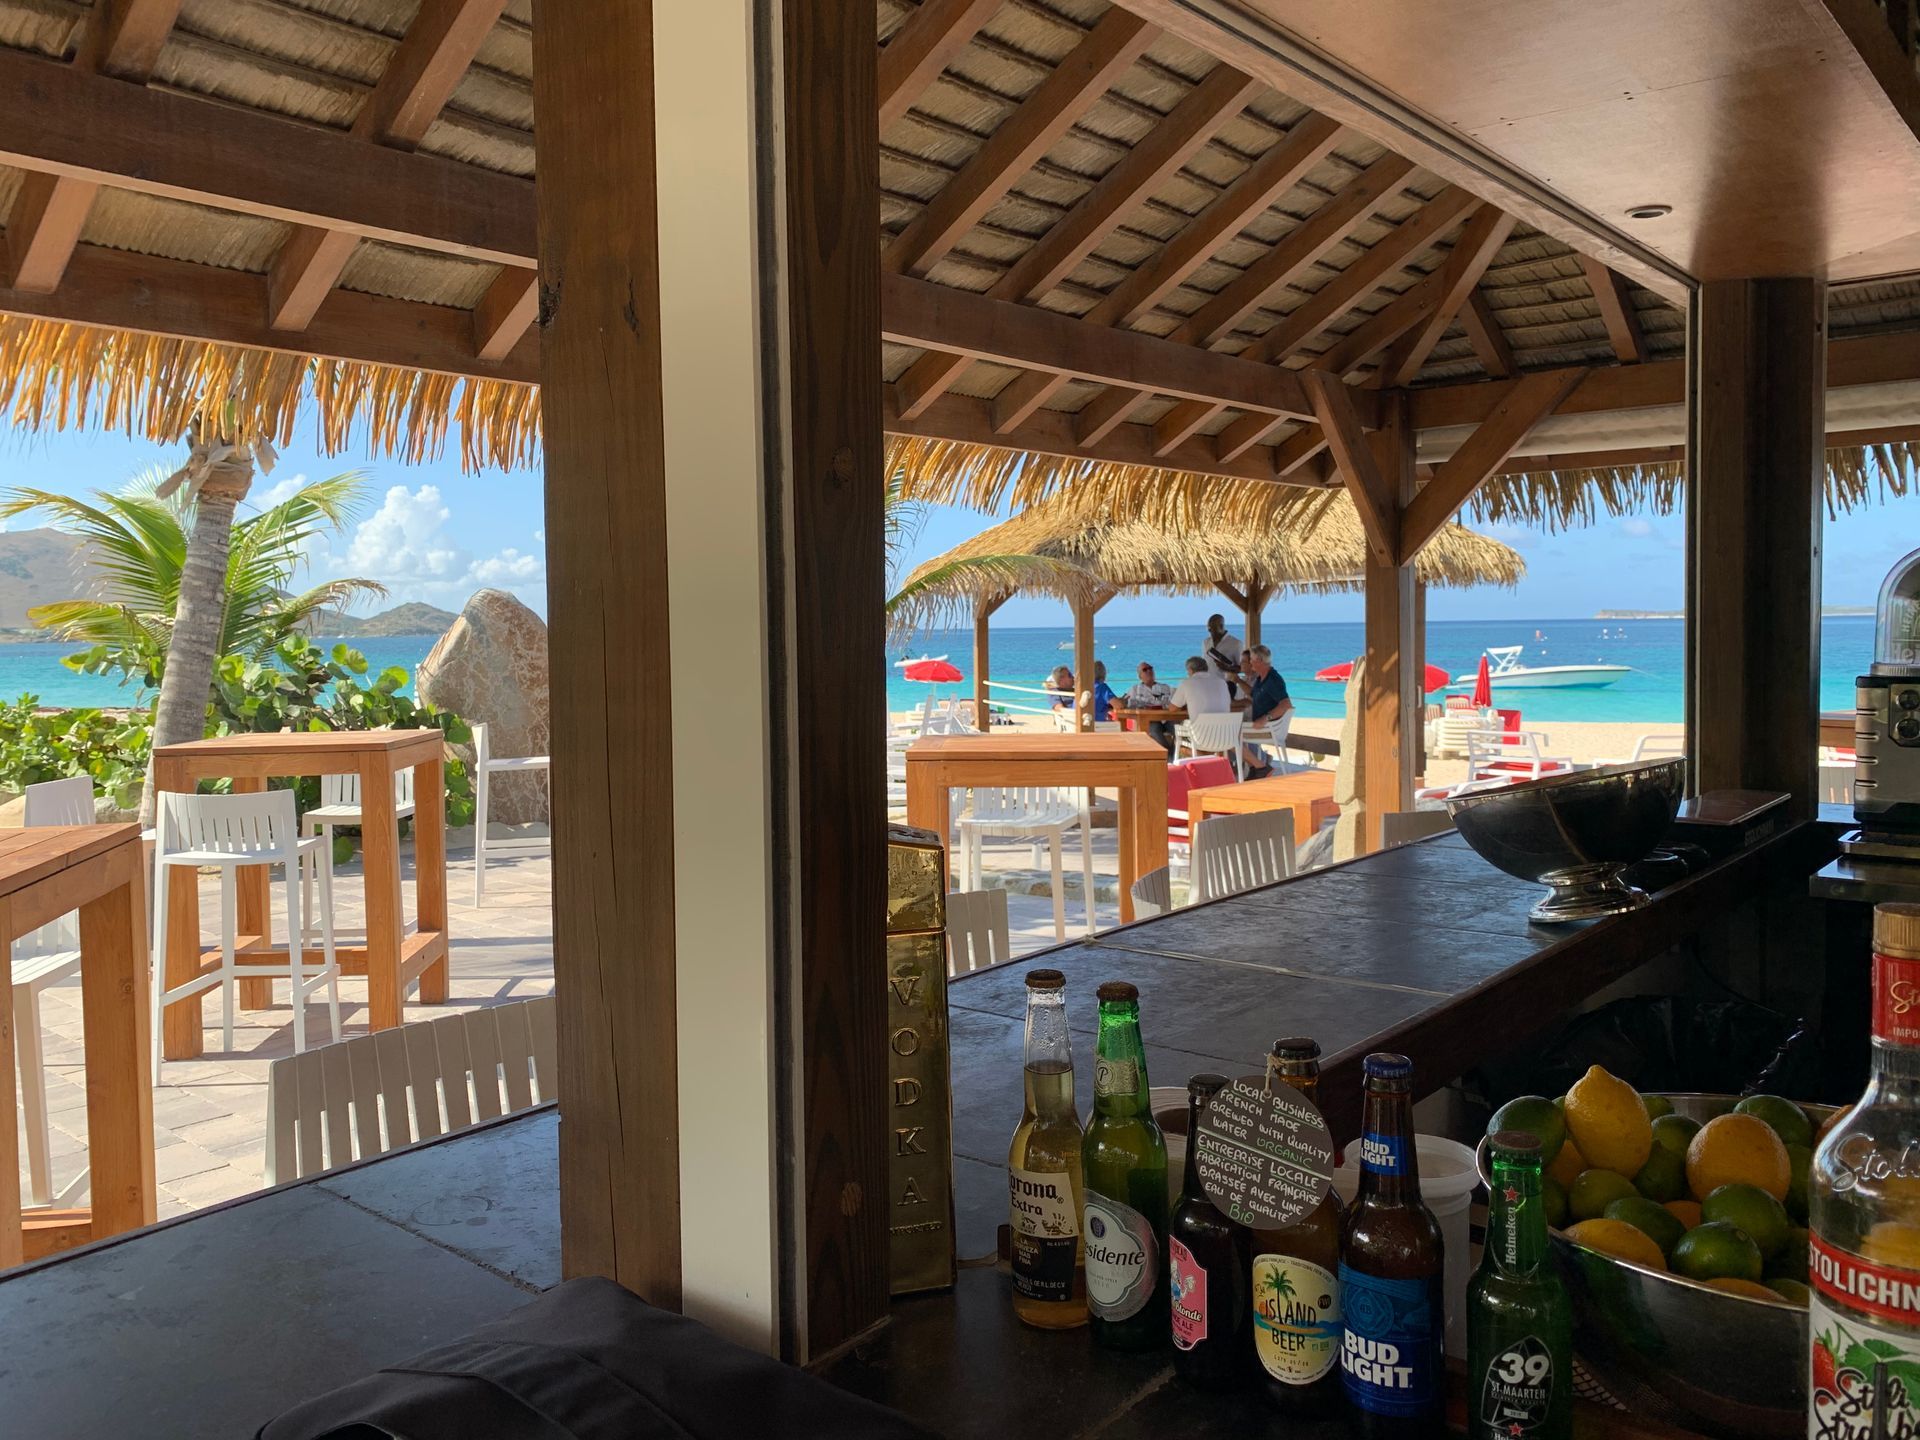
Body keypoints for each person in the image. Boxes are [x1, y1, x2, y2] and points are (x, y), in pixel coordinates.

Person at [1239, 644, 1293, 779]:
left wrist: (1265, 718)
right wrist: (1237, 680)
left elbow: (1286, 704)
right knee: (1232, 732)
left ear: (1259, 661)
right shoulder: (1261, 678)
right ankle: (1255, 767)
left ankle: (1260, 767)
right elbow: (1253, 694)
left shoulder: (1273, 680)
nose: (1250, 662)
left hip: (1270, 728)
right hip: (1262, 726)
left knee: (1228, 736)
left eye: (1251, 659)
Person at [1122, 661, 1175, 752]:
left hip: (1166, 719)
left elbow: (1174, 703)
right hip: (1149, 720)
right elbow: (1127, 704)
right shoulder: (1134, 689)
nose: (1149, 671)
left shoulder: (1165, 687)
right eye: (1145, 670)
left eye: (1150, 668)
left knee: (1179, 730)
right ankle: (1169, 756)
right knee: (1154, 730)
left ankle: (1176, 754)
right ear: (1140, 676)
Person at [1170, 655, 1231, 721]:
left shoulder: (1187, 683)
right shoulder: (1222, 682)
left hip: (1199, 729)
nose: (1188, 674)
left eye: (1187, 671)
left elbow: (1172, 708)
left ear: (1190, 670)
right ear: (1206, 668)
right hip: (1224, 729)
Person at [1202, 614, 1243, 696]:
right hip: (1207, 685)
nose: (1209, 631)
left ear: (1221, 626)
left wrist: (1227, 668)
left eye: (1212, 628)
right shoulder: (1206, 642)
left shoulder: (1236, 643)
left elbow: (1241, 668)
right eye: (1208, 628)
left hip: (1226, 686)